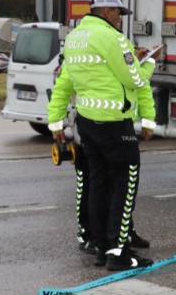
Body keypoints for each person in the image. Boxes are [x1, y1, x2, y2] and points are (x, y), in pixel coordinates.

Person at [47, 0, 156, 271]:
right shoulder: (112, 38)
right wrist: (150, 63)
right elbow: (133, 78)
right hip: (114, 124)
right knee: (124, 183)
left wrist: (56, 121)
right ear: (106, 11)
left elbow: (66, 82)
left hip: (87, 124)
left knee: (99, 184)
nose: (120, 19)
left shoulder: (74, 38)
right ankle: (119, 254)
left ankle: (102, 248)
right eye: (118, 13)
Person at [59, 44, 160, 259]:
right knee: (94, 183)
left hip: (110, 123)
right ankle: (92, 237)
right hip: (89, 124)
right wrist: (55, 121)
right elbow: (63, 87)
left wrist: (148, 118)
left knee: (115, 185)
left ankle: (115, 237)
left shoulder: (118, 51)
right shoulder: (84, 53)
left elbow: (138, 87)